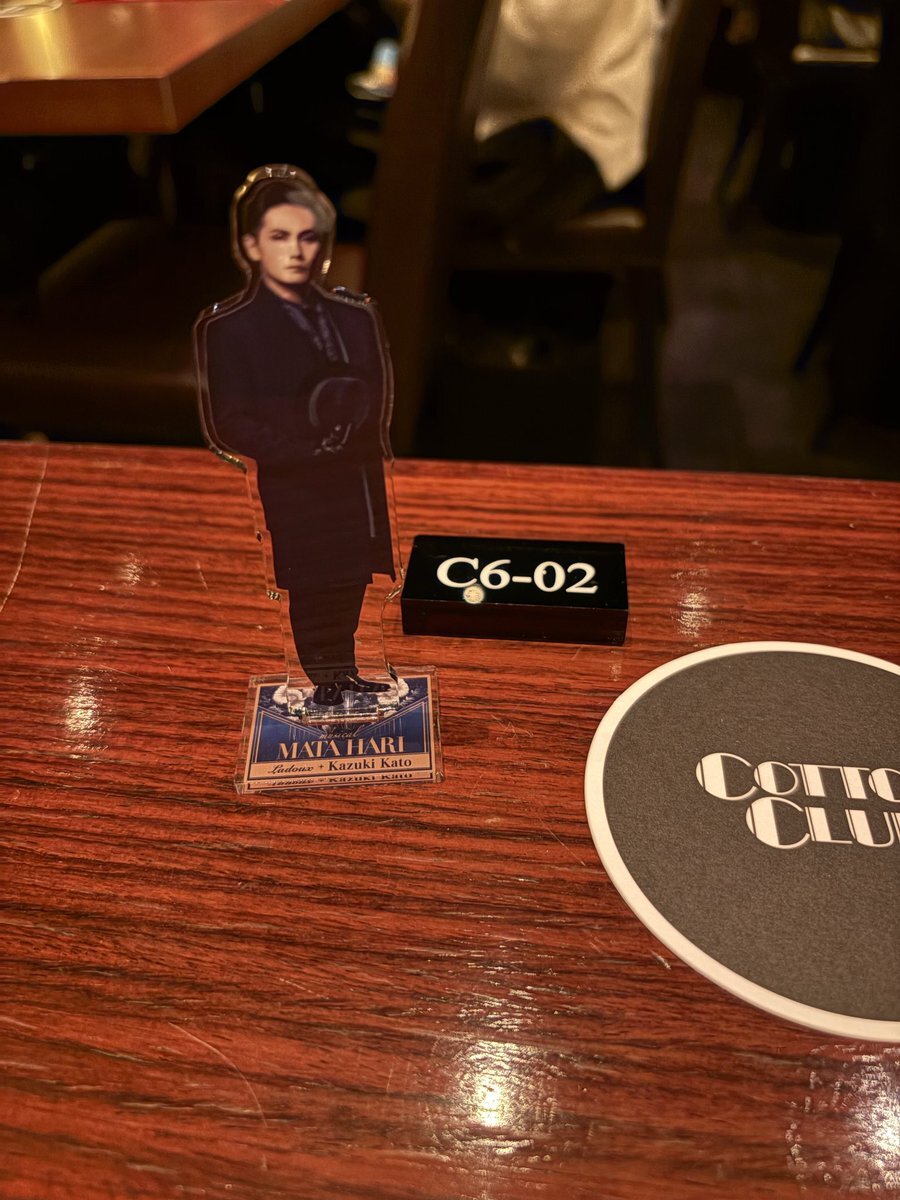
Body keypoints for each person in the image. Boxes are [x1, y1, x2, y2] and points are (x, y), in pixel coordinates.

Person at [194, 165, 396, 708]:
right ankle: (321, 679)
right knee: (311, 580)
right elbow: (230, 419)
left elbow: (374, 392)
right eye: (280, 236)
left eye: (307, 237)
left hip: (354, 477)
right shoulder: (230, 329)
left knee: (352, 575)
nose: (296, 250)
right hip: (296, 483)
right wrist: (303, 452)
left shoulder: (354, 318)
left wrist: (351, 435)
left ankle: (345, 671)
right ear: (251, 246)